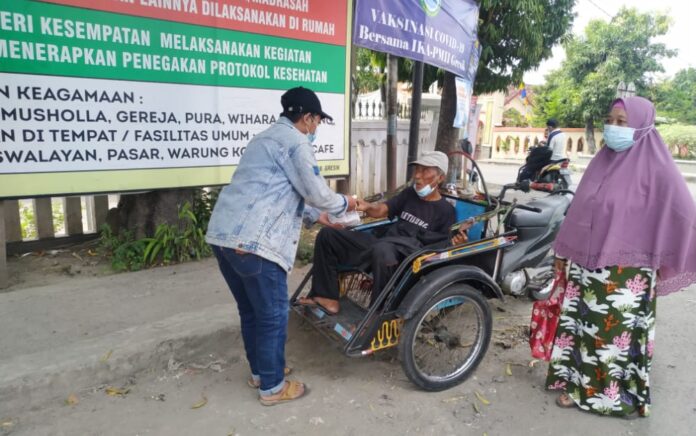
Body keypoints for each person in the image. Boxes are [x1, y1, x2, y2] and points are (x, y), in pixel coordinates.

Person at [205, 87, 357, 406]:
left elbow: (280, 189)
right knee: (273, 315)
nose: (316, 129)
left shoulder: (263, 139)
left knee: (252, 311)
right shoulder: (295, 142)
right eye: (316, 122)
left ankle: (262, 372)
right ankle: (273, 387)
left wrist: (322, 218)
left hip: (224, 237)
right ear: (307, 117)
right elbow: (317, 192)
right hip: (255, 244)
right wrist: (348, 203)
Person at [546, 97, 696, 418]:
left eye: (622, 122)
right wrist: (563, 251)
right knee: (581, 325)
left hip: (625, 274)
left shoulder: (657, 167)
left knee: (609, 333)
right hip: (586, 267)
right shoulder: (603, 161)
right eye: (610, 120)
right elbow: (579, 212)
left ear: (641, 125)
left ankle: (602, 395)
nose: (613, 128)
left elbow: (684, 213)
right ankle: (574, 383)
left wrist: (660, 251)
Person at [298, 151, 471, 314]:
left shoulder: (445, 211)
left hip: (404, 259)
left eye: (425, 170)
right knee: (328, 235)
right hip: (381, 245)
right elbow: (382, 210)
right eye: (417, 169)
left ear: (440, 178)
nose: (417, 175)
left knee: (383, 251)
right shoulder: (409, 194)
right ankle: (326, 297)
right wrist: (366, 206)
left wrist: (455, 243)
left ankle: (376, 314)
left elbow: (440, 247)